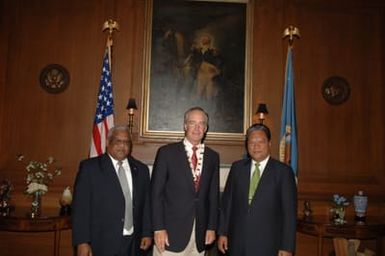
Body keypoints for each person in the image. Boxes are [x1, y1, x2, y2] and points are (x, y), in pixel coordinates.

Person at [218, 124, 297, 256]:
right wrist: (222, 233)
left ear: (269, 143)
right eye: (252, 142)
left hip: (268, 245)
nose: (256, 146)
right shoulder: (237, 168)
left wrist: (287, 247)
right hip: (237, 243)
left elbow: (289, 213)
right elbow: (227, 204)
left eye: (261, 141)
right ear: (247, 144)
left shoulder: (283, 172)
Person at [72, 125, 152, 256]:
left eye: (126, 142)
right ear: (108, 143)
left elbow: (147, 205)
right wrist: (82, 242)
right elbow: (81, 209)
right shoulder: (90, 169)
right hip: (102, 242)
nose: (122, 146)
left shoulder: (141, 170)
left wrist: (147, 232)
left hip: (134, 242)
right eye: (118, 141)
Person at [151, 106, 220, 256]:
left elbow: (213, 196)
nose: (197, 127)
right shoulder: (166, 153)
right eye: (192, 122)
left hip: (200, 235)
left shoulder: (213, 157)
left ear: (206, 128)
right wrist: (158, 228)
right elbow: (156, 194)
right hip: (169, 235)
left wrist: (211, 227)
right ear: (184, 125)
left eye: (201, 123)